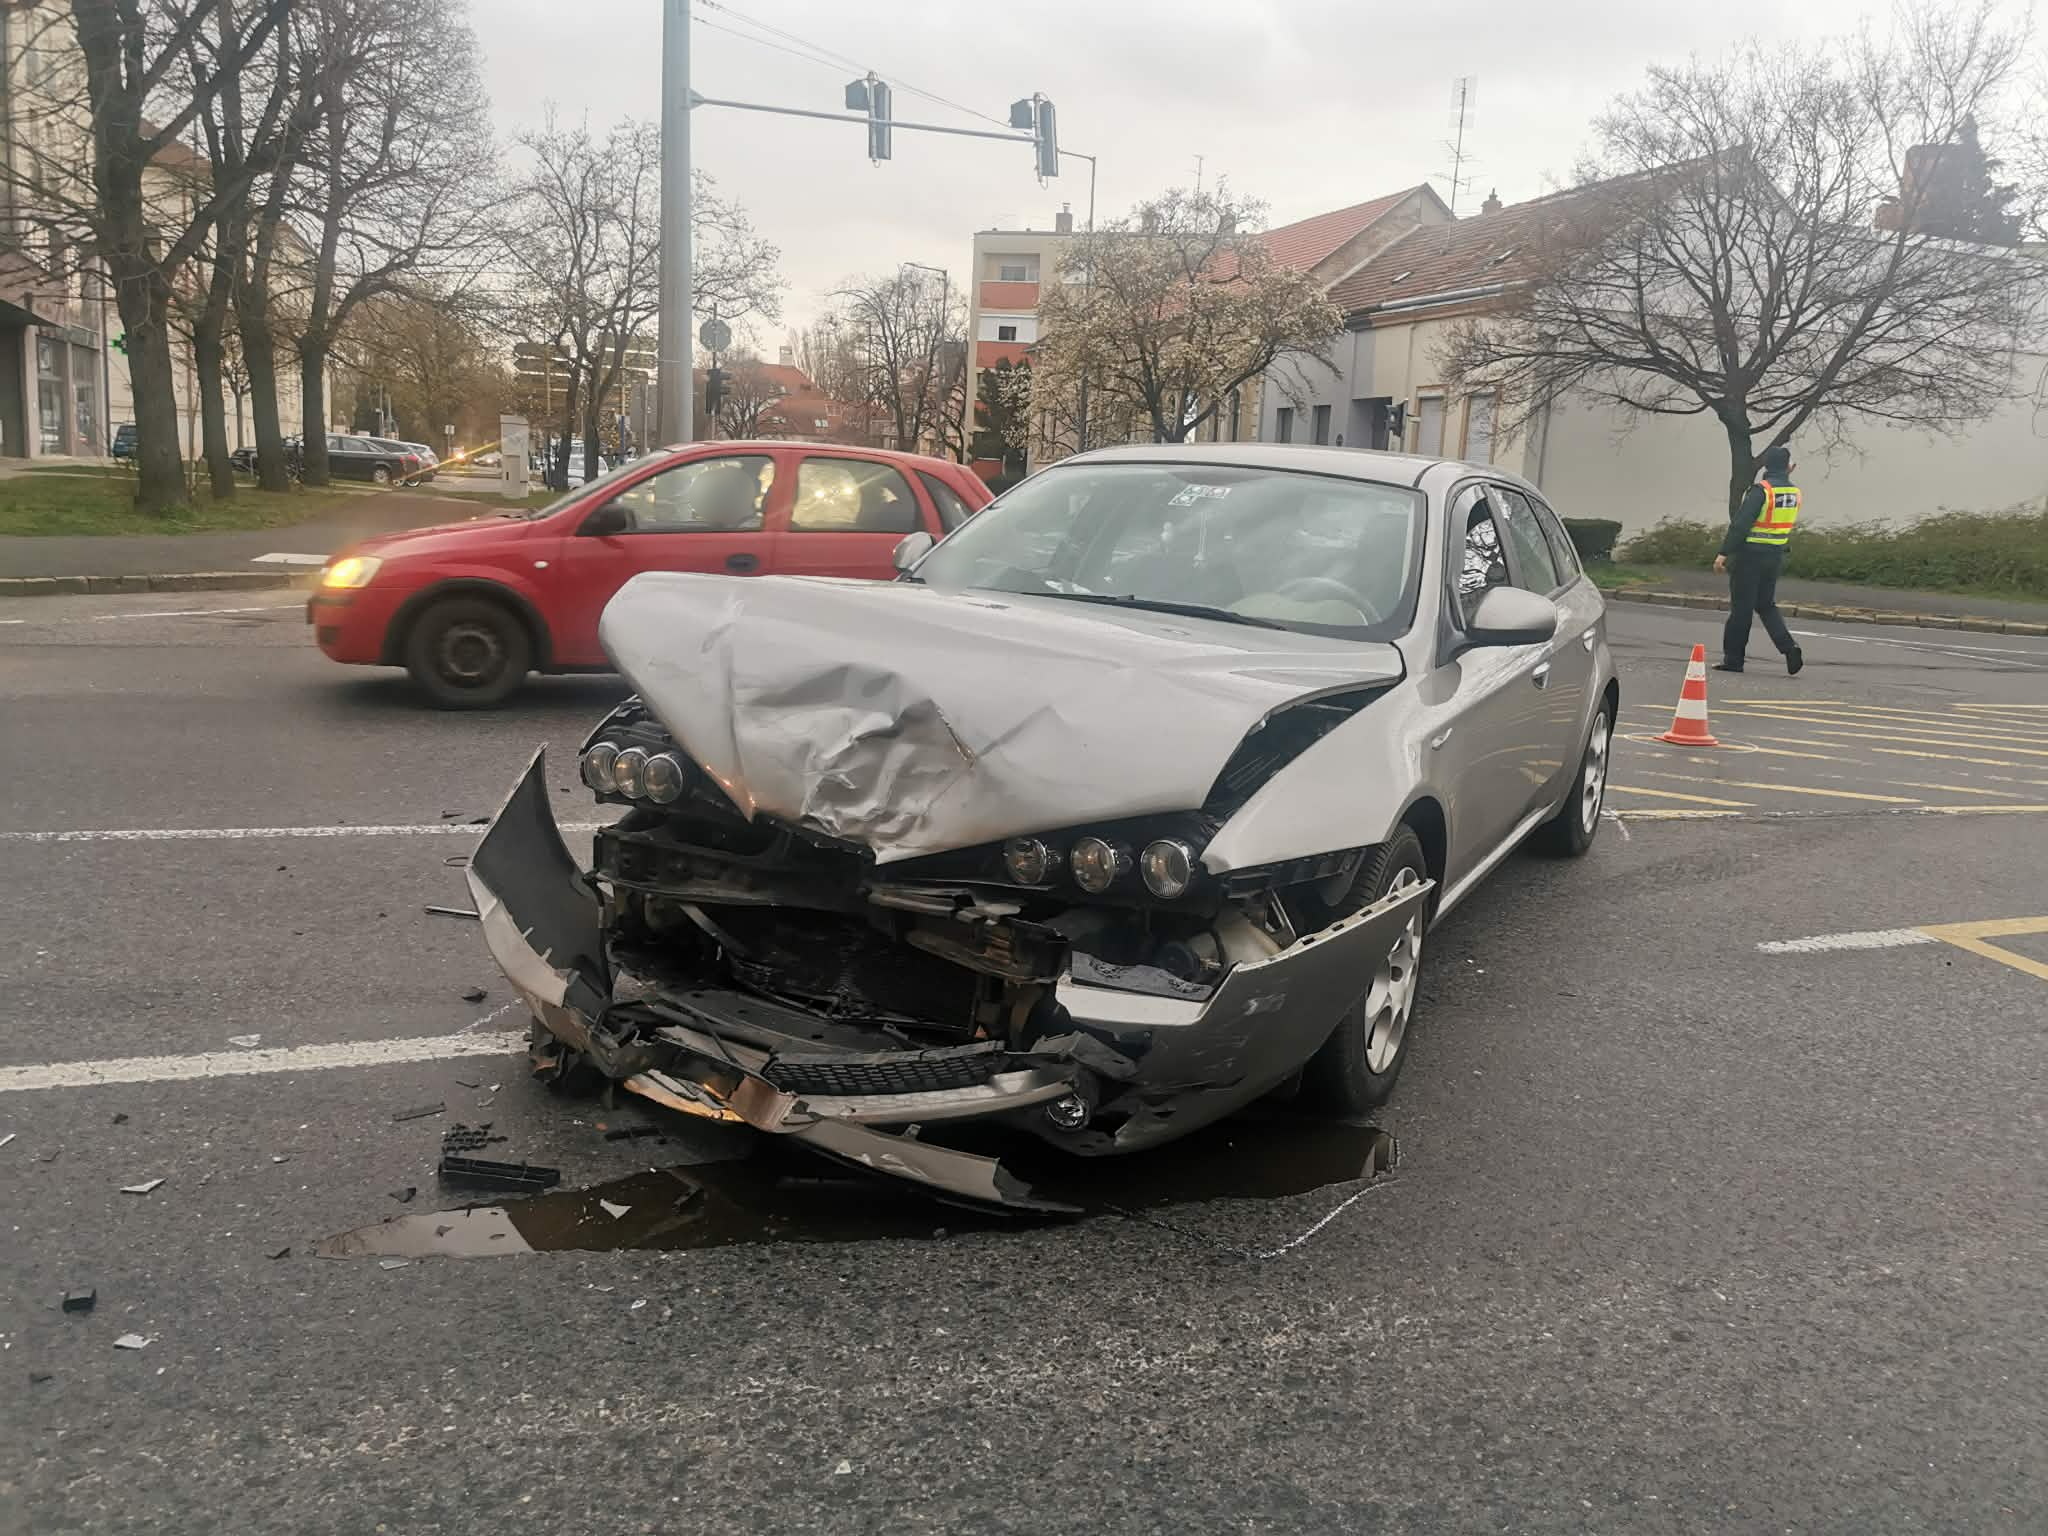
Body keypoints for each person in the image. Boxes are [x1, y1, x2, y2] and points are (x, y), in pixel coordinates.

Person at [1713, 443, 1804, 675]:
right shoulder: (1793, 493)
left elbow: (1741, 525)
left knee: (1741, 610)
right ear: (1787, 467)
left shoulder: (1761, 491)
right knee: (1766, 605)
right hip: (1774, 557)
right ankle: (1789, 648)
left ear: (1766, 465)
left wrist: (1723, 553)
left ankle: (1734, 660)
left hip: (1750, 557)